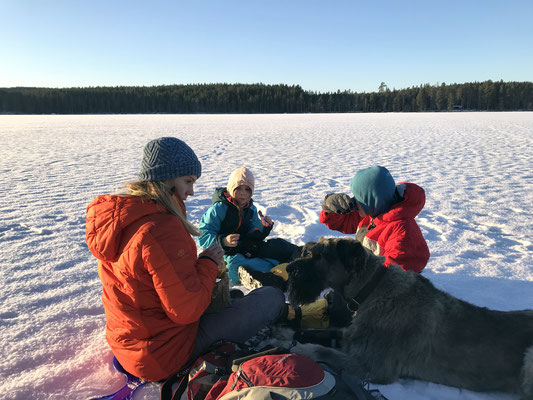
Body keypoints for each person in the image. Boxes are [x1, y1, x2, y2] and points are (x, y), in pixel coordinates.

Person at [86, 137, 285, 382]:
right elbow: (187, 310)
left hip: (128, 346)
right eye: (188, 181)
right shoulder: (161, 229)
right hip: (166, 355)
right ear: (166, 180)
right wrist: (209, 262)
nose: (191, 191)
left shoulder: (122, 221)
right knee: (271, 297)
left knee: (235, 298)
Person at [198, 167, 300, 284]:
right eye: (239, 188)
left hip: (245, 247)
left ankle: (302, 255)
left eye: (247, 189)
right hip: (224, 253)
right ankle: (279, 271)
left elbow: (254, 233)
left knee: (276, 245)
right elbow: (203, 234)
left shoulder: (250, 208)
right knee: (234, 265)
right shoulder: (219, 208)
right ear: (231, 188)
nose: (243, 193)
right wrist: (224, 241)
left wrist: (264, 227)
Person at [320, 165, 430, 273]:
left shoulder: (402, 231)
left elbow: (393, 276)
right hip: (366, 272)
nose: (353, 202)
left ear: (372, 201)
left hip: (381, 284)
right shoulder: (373, 213)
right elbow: (340, 222)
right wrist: (329, 207)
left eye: (357, 198)